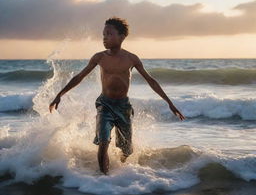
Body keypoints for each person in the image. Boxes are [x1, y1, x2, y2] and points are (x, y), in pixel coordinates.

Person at [49, 17, 185, 175]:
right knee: (103, 142)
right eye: (103, 34)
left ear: (122, 37)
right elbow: (79, 77)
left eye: (109, 34)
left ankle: (120, 176)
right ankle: (104, 180)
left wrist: (170, 103)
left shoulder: (131, 58)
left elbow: (151, 81)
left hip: (123, 107)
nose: (105, 37)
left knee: (126, 150)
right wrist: (60, 94)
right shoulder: (99, 57)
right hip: (104, 105)